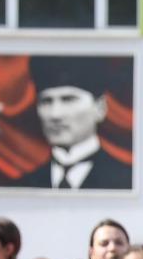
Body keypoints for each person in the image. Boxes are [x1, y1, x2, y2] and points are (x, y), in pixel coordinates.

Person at [21, 58, 133, 190]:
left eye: (68, 100)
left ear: (100, 108)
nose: (55, 115)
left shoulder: (128, 181)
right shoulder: (23, 186)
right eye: (46, 101)